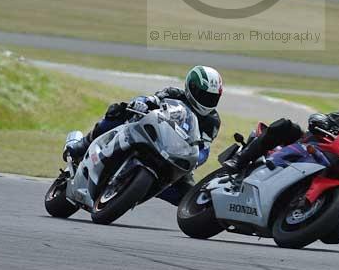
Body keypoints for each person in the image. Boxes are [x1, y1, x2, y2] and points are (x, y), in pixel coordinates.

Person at [223, 95, 339, 244]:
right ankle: (240, 160)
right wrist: (322, 121)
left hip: (338, 176)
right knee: (285, 126)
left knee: (336, 234)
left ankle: (295, 214)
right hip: (308, 151)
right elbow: (323, 118)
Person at [64, 65, 223, 206]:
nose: (207, 101)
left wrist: (195, 160)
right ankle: (83, 144)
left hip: (175, 153)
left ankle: (142, 188)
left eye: (212, 98)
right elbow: (148, 99)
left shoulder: (212, 121)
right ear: (191, 88)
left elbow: (204, 149)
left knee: (188, 194)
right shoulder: (173, 93)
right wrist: (140, 103)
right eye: (203, 95)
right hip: (150, 132)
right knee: (118, 111)